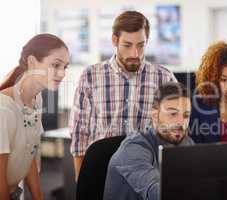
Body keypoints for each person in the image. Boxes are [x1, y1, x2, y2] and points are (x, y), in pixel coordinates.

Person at [69, 10, 177, 180]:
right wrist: (81, 180)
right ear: (115, 40)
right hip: (101, 171)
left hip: (147, 173)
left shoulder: (164, 77)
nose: (135, 53)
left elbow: (174, 127)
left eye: (141, 45)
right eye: (127, 45)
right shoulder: (90, 76)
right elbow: (79, 131)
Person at [0, 33, 69, 200]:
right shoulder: (4, 108)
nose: (62, 74)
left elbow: (28, 152)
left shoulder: (37, 99)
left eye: (65, 67)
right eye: (55, 65)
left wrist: (38, 196)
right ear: (32, 62)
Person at [103, 82, 194, 200]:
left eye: (186, 115)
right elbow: (158, 193)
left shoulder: (187, 143)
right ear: (155, 115)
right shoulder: (133, 149)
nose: (181, 122)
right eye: (173, 114)